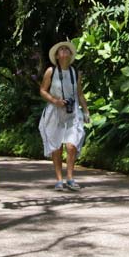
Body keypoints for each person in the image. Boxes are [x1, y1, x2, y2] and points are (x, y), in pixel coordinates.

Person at [38, 40, 90, 190]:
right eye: (61, 49)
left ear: (71, 54)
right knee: (57, 146)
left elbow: (79, 94)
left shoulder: (75, 73)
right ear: (57, 55)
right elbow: (42, 90)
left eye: (67, 49)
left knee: (72, 145)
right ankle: (59, 180)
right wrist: (55, 101)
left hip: (72, 111)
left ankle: (70, 178)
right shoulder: (51, 71)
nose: (64, 51)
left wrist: (86, 111)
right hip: (54, 112)